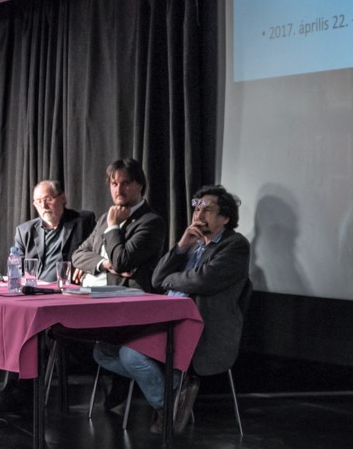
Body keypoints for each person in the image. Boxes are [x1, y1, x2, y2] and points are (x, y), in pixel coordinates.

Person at [94, 185, 249, 434]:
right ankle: (174, 391)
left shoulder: (235, 246)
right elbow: (157, 279)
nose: (198, 215)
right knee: (102, 351)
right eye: (196, 209)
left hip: (198, 327)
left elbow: (202, 281)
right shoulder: (193, 244)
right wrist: (181, 247)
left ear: (225, 218)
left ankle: (165, 405)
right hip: (167, 321)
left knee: (130, 355)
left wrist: (171, 279)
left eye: (207, 210)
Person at [71, 158, 167, 293]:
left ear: (140, 185)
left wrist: (113, 226)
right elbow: (78, 255)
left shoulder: (151, 222)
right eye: (114, 184)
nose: (119, 190)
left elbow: (121, 263)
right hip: (86, 291)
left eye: (125, 183)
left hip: (121, 295)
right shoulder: (105, 218)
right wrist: (104, 264)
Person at [13, 180, 96, 283]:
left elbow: (99, 250)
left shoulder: (83, 221)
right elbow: (16, 269)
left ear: (63, 198)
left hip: (69, 287)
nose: (43, 206)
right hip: (35, 288)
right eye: (38, 201)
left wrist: (86, 264)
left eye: (48, 199)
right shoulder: (24, 231)